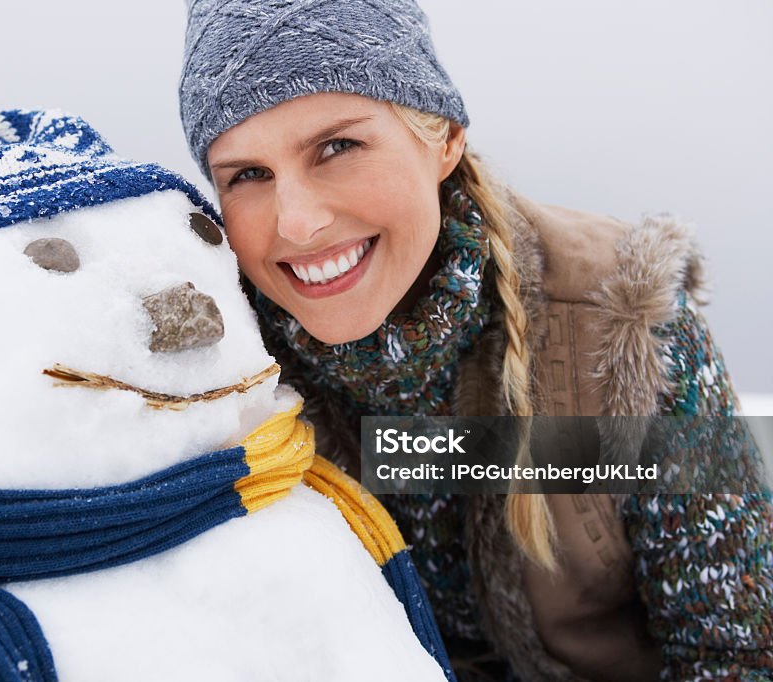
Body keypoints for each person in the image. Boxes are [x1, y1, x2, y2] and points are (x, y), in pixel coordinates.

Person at [178, 1, 773, 680]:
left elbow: (737, 652)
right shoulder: (216, 369)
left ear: (445, 139)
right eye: (248, 175)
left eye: (338, 147)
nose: (300, 223)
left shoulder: (621, 325)